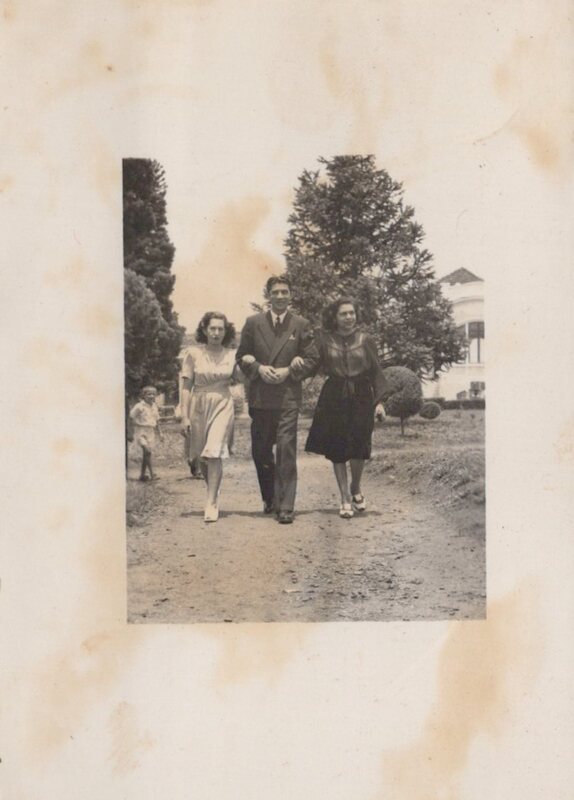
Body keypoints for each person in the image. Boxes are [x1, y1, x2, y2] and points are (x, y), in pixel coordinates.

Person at [236, 275, 317, 524]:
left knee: (285, 449)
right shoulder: (253, 323)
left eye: (285, 292)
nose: (280, 296)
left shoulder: (301, 324)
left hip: (287, 399)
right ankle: (270, 497)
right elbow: (242, 356)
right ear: (268, 295)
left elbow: (313, 359)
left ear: (290, 295)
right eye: (276, 292)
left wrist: (290, 370)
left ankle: (285, 505)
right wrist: (258, 368)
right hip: (261, 399)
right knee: (261, 452)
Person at [302, 298, 387, 519]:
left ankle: (355, 486)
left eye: (351, 313)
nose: (349, 317)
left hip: (361, 395)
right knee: (338, 448)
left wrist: (379, 402)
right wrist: (295, 369)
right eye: (343, 314)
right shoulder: (324, 340)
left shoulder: (365, 340)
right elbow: (311, 365)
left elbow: (376, 372)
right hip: (334, 396)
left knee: (359, 446)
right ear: (335, 317)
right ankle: (344, 498)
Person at [180, 312, 241, 522]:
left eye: (220, 329)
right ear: (205, 330)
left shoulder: (233, 355)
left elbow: (241, 379)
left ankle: (211, 502)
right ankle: (213, 489)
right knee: (201, 457)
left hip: (223, 403)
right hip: (198, 403)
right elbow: (186, 386)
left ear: (226, 331)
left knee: (214, 452)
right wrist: (184, 416)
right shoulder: (193, 353)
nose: (216, 333)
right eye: (212, 328)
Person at [129, 385, 163, 482]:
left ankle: (142, 475)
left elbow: (157, 421)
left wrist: (160, 433)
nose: (151, 396)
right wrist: (131, 430)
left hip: (150, 431)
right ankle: (152, 474)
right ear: (143, 395)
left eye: (153, 394)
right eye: (149, 394)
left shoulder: (154, 406)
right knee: (147, 451)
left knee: (147, 454)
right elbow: (131, 417)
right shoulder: (139, 406)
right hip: (141, 431)